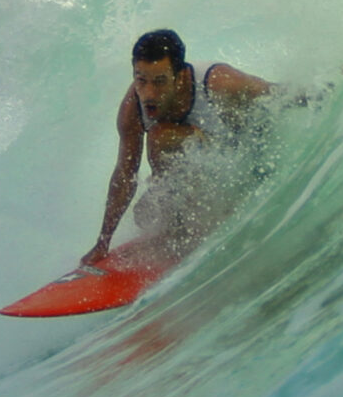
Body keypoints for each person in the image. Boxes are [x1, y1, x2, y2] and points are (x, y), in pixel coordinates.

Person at [84, 27, 272, 266]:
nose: (148, 93)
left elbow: (278, 94)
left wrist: (326, 86)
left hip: (243, 162)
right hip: (203, 172)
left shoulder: (219, 82)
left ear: (180, 76)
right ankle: (177, 225)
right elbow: (125, 174)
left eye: (160, 82)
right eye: (141, 80)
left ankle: (186, 226)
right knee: (143, 216)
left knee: (159, 136)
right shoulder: (132, 109)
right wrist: (103, 242)